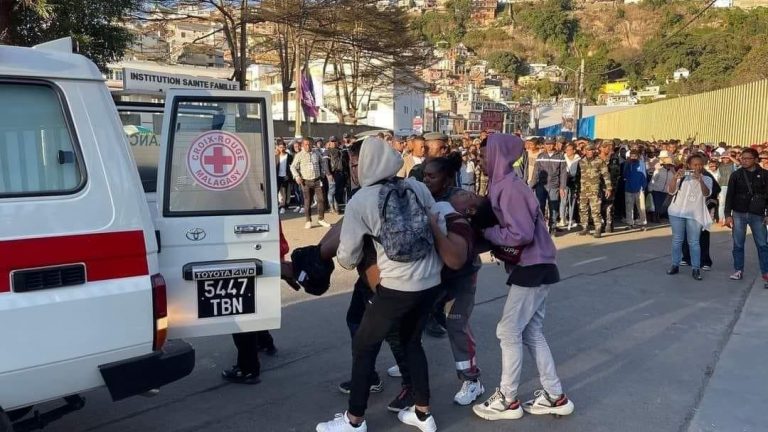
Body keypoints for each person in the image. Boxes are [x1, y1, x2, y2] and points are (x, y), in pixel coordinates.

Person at [316, 137, 443, 432]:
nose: (353, 166)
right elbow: (439, 223)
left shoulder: (362, 199)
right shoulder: (417, 186)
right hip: (431, 281)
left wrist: (360, 258)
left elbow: (347, 256)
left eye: (355, 162)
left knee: (364, 345)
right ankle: (423, 415)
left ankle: (354, 420)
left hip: (396, 286)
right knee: (412, 342)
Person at [471, 134, 574, 422]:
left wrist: (486, 234)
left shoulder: (511, 188)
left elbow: (521, 234)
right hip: (537, 265)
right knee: (530, 331)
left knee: (508, 331)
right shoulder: (502, 184)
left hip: (532, 266)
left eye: (483, 157)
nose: (479, 162)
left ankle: (508, 399)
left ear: (498, 156)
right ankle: (555, 395)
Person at [422, 155, 484, 406]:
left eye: (431, 176)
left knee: (456, 323)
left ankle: (472, 380)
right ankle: (406, 364)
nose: (425, 180)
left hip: (461, 274)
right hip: (431, 273)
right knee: (413, 317)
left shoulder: (462, 199)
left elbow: (485, 224)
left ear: (447, 180)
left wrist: (470, 248)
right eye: (424, 175)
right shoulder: (422, 196)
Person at [723, 147, 768, 285]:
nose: (744, 161)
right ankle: (738, 270)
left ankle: (766, 273)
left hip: (758, 214)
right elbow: (729, 195)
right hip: (738, 213)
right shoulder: (736, 175)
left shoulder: (765, 174)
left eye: (748, 158)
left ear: (755, 160)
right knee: (738, 244)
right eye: (742, 158)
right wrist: (727, 215)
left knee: (762, 245)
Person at [666, 154, 713, 281]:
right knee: (677, 240)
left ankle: (696, 268)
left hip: (694, 214)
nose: (698, 167)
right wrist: (675, 178)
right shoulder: (682, 177)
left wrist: (700, 180)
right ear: (688, 165)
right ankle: (675, 265)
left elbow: (707, 193)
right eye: (695, 165)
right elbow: (670, 191)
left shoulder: (707, 178)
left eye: (700, 165)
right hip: (676, 212)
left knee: (694, 242)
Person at [291, 137, 331, 229]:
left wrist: (323, 173)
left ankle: (321, 219)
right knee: (307, 201)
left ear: (312, 144)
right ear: (302, 145)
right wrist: (297, 176)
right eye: (305, 144)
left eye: (309, 144)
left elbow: (323, 163)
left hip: (317, 180)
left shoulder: (316, 153)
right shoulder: (299, 155)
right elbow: (293, 167)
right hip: (306, 181)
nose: (307, 146)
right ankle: (308, 220)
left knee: (321, 200)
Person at [530, 137, 567, 234]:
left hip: (554, 185)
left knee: (553, 206)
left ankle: (553, 226)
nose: (549, 146)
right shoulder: (541, 156)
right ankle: (540, 227)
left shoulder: (560, 157)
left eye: (551, 144)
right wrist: (531, 186)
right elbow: (536, 172)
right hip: (541, 186)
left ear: (554, 144)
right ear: (544, 145)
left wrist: (562, 187)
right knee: (540, 206)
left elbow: (563, 173)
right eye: (547, 144)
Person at [578, 143, 612, 238]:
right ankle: (584, 227)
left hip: (594, 190)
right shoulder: (581, 161)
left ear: (595, 151)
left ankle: (598, 228)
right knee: (583, 209)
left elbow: (606, 175)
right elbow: (578, 176)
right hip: (583, 190)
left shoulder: (599, 161)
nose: (590, 152)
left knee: (595, 210)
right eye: (588, 150)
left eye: (592, 150)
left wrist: (608, 188)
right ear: (585, 151)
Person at [623, 149, 648, 230]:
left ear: (638, 156)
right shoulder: (627, 163)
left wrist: (643, 187)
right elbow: (625, 175)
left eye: (635, 156)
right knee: (629, 207)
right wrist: (627, 164)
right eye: (632, 156)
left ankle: (642, 222)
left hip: (639, 188)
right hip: (629, 188)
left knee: (641, 207)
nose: (633, 157)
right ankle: (630, 223)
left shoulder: (641, 163)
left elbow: (644, 176)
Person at [648, 151, 676, 223]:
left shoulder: (672, 173)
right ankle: (654, 217)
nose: (668, 165)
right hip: (656, 190)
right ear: (663, 164)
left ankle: (657, 217)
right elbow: (653, 180)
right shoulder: (658, 171)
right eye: (667, 164)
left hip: (665, 191)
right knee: (656, 205)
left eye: (669, 164)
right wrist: (650, 189)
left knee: (661, 205)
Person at [561, 143, 581, 229]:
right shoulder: (563, 158)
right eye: (567, 149)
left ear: (574, 150)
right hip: (564, 181)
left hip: (574, 181)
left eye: (570, 150)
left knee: (571, 201)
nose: (568, 151)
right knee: (563, 201)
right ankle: (562, 218)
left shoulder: (578, 159)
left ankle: (571, 218)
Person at [275, 140, 293, 215]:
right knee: (277, 191)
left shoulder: (289, 156)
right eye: (280, 147)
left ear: (285, 147)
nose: (282, 148)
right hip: (278, 176)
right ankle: (277, 205)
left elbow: (292, 167)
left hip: (285, 176)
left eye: (283, 147)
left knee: (284, 192)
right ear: (278, 148)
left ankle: (283, 206)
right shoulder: (276, 156)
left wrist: (288, 175)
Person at [717, 154, 736, 225]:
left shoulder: (733, 165)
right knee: (722, 203)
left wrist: (730, 156)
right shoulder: (719, 165)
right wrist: (721, 156)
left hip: (732, 186)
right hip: (722, 186)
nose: (725, 159)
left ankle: (729, 219)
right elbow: (713, 160)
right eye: (724, 158)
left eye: (727, 158)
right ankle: (721, 219)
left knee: (731, 203)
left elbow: (738, 163)